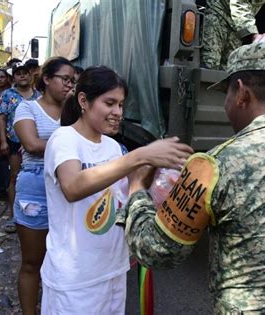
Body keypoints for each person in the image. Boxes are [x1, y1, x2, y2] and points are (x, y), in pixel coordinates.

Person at [123, 36, 265, 313]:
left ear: (241, 93)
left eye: (226, 92)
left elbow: (156, 250)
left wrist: (137, 188)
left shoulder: (217, 165)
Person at [41, 66, 193, 313]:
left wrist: (158, 178)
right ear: (83, 100)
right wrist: (140, 155)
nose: (118, 112)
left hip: (113, 270)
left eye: (121, 105)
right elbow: (72, 187)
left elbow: (121, 198)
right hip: (75, 279)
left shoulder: (112, 147)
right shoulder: (64, 139)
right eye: (109, 103)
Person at [13, 56, 75, 314]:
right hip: (36, 185)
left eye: (74, 81)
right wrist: (72, 143)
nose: (70, 86)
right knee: (32, 262)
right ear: (47, 80)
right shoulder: (27, 109)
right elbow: (32, 145)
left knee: (63, 260)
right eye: (65, 80)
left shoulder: (74, 112)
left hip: (68, 184)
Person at [0, 62, 42, 234]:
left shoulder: (39, 96)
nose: (22, 76)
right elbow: (2, 119)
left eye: (25, 73)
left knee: (35, 177)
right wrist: (3, 141)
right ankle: (13, 215)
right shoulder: (8, 95)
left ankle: (34, 213)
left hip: (35, 144)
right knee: (15, 178)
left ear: (31, 76)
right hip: (15, 142)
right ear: (13, 78)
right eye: (18, 74)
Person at [201, 0, 265, 70]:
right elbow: (238, 4)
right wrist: (254, 34)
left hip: (236, 24)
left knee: (230, 66)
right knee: (211, 61)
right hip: (218, 14)